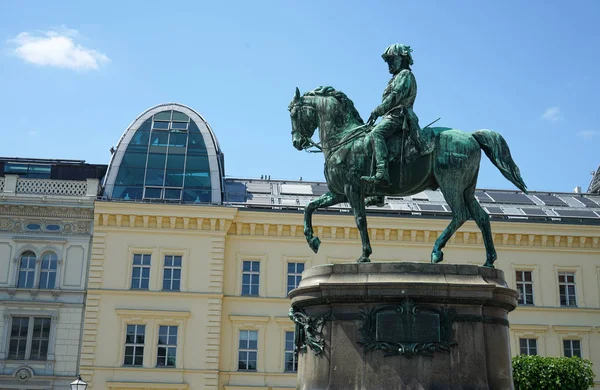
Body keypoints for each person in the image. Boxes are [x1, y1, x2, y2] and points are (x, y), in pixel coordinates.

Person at [361, 43, 427, 185]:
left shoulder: (405, 75)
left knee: (375, 134)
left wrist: (377, 111)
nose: (389, 64)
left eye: (392, 59)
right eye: (388, 61)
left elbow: (394, 97)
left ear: (402, 59)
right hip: (392, 116)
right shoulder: (396, 77)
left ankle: (381, 173)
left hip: (399, 116)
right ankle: (379, 193)